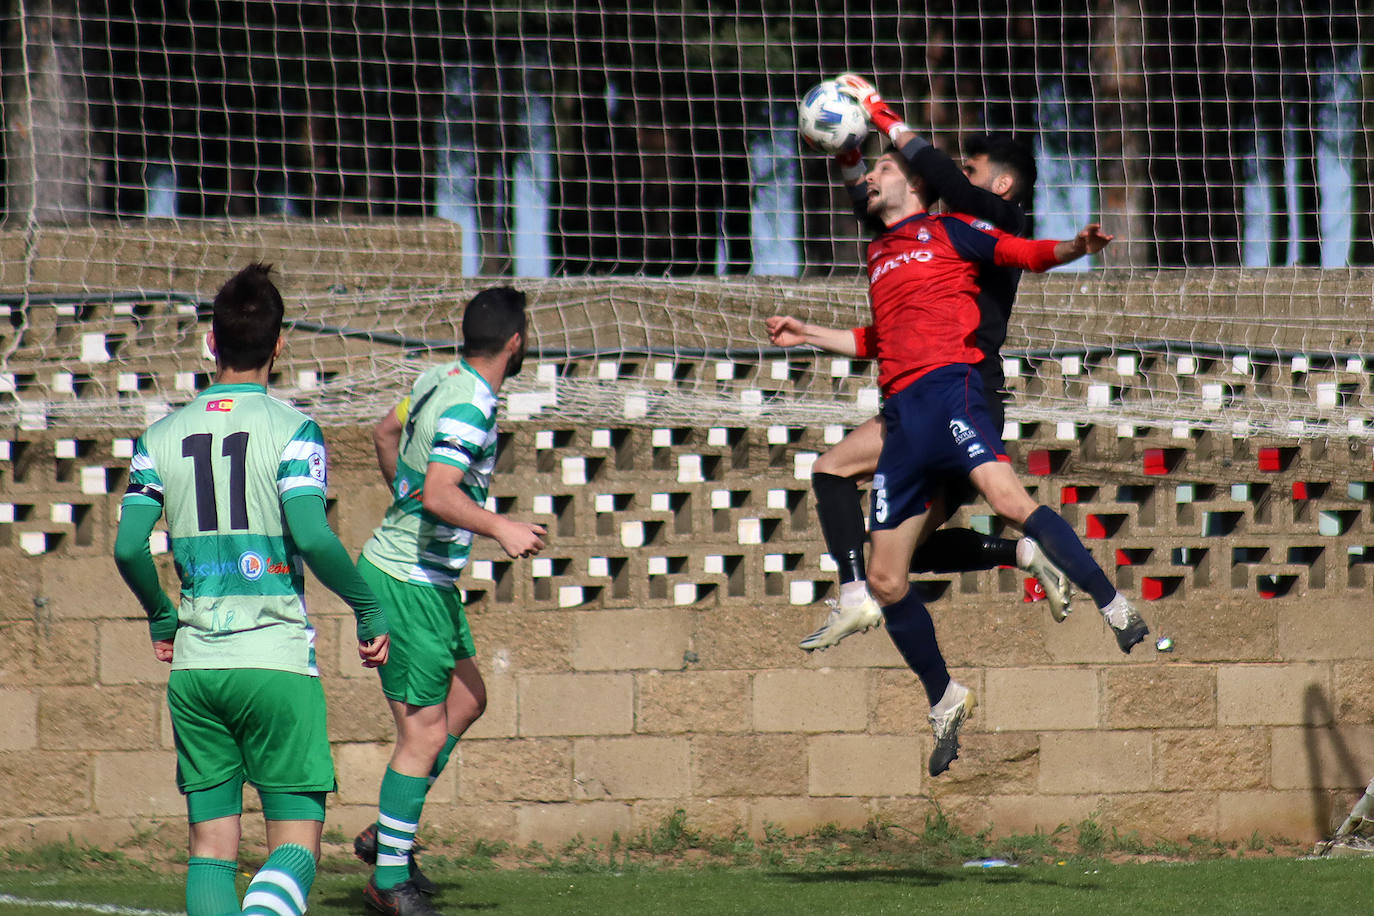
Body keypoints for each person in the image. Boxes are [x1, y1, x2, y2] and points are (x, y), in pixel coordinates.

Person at [770, 142, 1148, 778]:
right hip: (902, 418)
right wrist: (808, 333)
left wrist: (1077, 248)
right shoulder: (880, 251)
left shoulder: (949, 229)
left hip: (955, 392)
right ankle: (945, 696)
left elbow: (1024, 252)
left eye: (883, 169)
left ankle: (1115, 606)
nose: (871, 177)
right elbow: (881, 337)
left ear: (915, 185)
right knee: (893, 576)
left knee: (1007, 500)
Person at [113, 263, 390, 916]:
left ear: (212, 343)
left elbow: (128, 546)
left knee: (211, 850)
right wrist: (369, 606)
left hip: (199, 668)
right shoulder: (294, 431)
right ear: (280, 343)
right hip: (275, 662)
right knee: (294, 849)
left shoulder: (160, 437)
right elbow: (314, 538)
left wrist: (161, 617)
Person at [792, 74, 1073, 653]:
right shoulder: (934, 238)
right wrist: (851, 160)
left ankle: (857, 598)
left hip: (961, 394)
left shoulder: (996, 219)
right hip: (933, 394)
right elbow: (878, 226)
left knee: (835, 478)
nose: (955, 178)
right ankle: (1021, 553)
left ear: (998, 183)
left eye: (967, 171)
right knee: (892, 558)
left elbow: (940, 181)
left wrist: (881, 113)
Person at [355, 286, 546, 916]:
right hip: (408, 582)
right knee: (423, 734)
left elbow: (384, 433)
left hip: (423, 580)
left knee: (467, 700)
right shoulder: (473, 404)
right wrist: (501, 527)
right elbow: (440, 491)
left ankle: (390, 834)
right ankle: (389, 879)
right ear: (515, 342)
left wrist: (406, 501)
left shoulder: (439, 377)